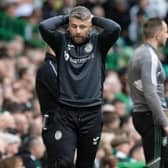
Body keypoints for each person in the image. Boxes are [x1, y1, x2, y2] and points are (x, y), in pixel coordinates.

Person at [39, 6, 121, 168]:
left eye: (82, 27)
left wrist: (94, 18)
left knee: (86, 164)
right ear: (69, 26)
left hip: (92, 114)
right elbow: (44, 26)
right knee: (64, 162)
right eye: (74, 26)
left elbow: (115, 28)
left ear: (90, 27)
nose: (77, 31)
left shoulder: (99, 42)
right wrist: (66, 17)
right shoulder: (61, 41)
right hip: (65, 113)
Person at [128, 17, 168, 168]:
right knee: (156, 165)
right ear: (157, 34)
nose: (167, 35)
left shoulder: (139, 52)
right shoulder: (149, 57)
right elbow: (151, 93)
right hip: (151, 117)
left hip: (144, 114)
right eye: (166, 31)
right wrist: (165, 123)